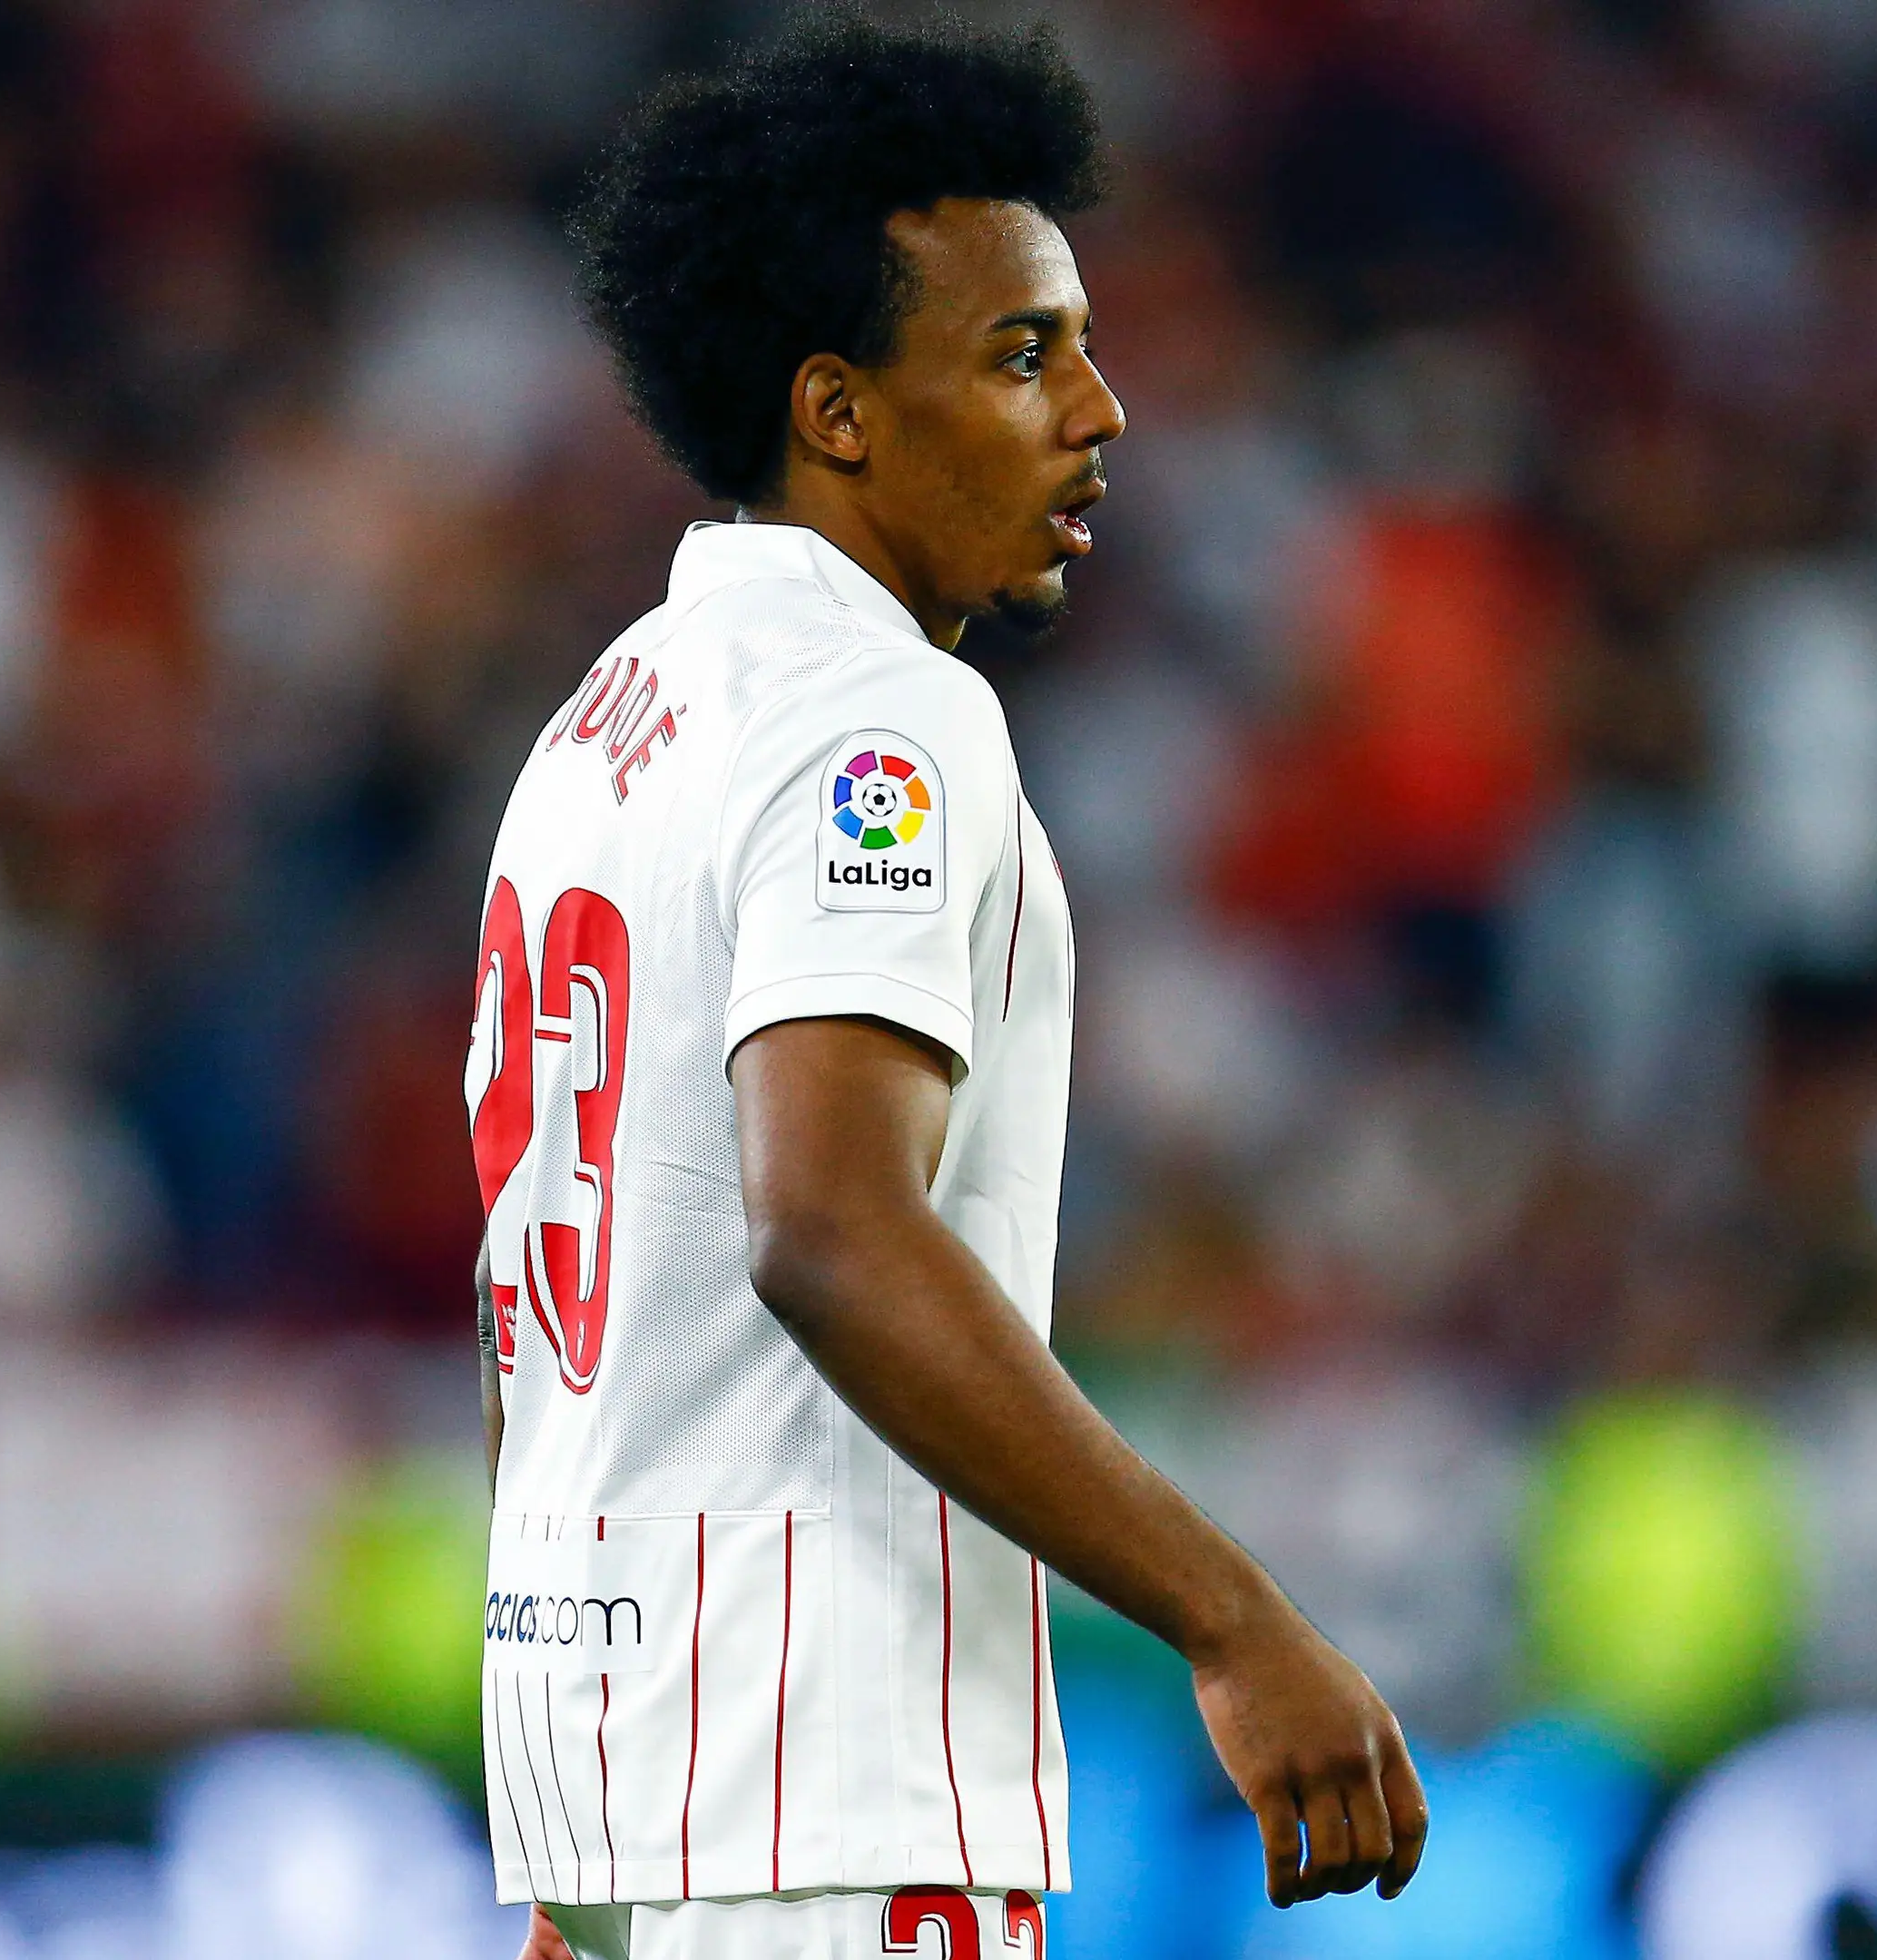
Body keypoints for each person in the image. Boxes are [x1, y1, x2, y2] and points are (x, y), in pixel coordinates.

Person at [466, 15, 1426, 1958]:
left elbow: (584, 1298)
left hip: (622, 1785)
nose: (1100, 409)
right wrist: (1232, 1621)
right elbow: (826, 1227)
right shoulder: (877, 719)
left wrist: (594, 1867)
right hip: (822, 1785)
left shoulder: (604, 724)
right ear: (838, 412)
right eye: (1020, 354)